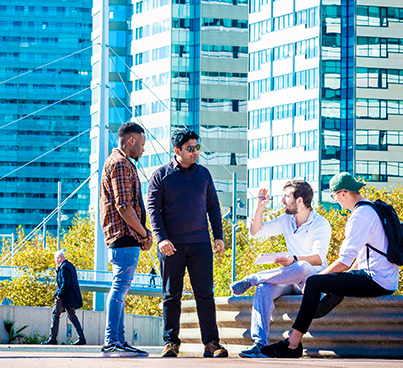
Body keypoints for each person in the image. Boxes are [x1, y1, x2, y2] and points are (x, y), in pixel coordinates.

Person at [260, 172, 399, 358]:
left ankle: (292, 344)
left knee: (315, 282)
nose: (336, 201)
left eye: (334, 196)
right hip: (384, 277)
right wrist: (339, 280)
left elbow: (344, 261)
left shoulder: (360, 216)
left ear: (343, 193)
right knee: (334, 281)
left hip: (375, 279)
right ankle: (324, 302)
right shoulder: (373, 209)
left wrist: (318, 279)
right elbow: (362, 255)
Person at [147, 128, 229, 358]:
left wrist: (218, 236)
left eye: (197, 147)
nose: (195, 152)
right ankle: (171, 343)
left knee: (205, 294)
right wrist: (161, 238)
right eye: (190, 149)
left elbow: (213, 206)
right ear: (177, 151)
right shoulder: (160, 175)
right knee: (171, 295)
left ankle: (211, 343)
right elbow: (153, 210)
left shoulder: (203, 174)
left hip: (200, 244)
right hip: (171, 246)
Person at [228, 179, 331, 358]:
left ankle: (253, 278)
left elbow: (318, 258)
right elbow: (256, 233)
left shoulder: (320, 224)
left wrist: (294, 259)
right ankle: (260, 343)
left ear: (299, 200)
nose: (282, 201)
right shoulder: (286, 220)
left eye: (286, 197)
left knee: (303, 266)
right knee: (263, 288)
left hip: (310, 280)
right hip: (288, 278)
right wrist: (260, 206)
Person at [99, 121, 153, 358]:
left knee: (121, 287)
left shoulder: (119, 163)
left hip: (122, 236)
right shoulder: (120, 164)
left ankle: (118, 340)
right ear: (131, 140)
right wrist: (144, 234)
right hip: (124, 236)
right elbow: (124, 207)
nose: (143, 150)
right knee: (119, 287)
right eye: (141, 144)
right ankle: (112, 340)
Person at [42, 249, 86, 345]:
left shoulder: (64, 267)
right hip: (70, 297)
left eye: (55, 259)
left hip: (64, 297)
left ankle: (52, 339)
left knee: (55, 314)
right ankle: (81, 338)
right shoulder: (70, 265)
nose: (54, 261)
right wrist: (57, 270)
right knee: (72, 316)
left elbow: (65, 283)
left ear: (59, 258)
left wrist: (59, 295)